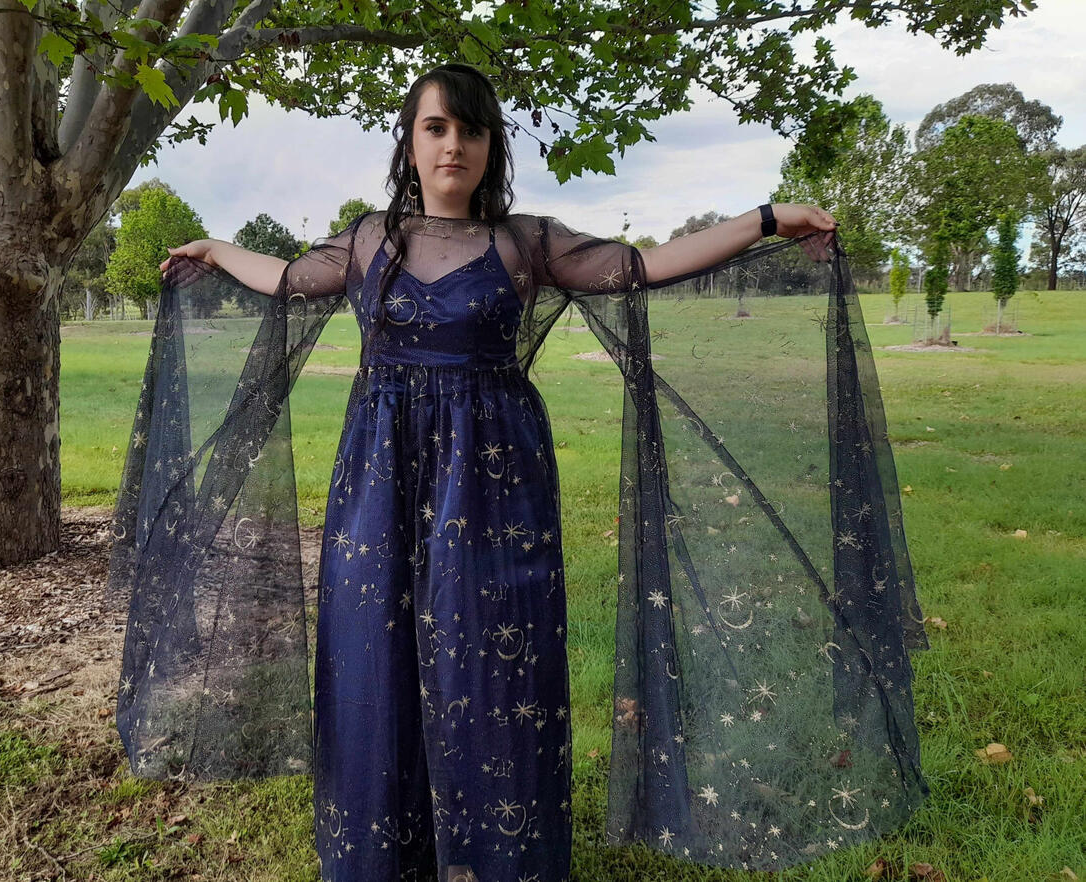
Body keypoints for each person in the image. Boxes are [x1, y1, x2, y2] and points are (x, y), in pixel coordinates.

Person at [113, 62, 928, 880]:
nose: (453, 145)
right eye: (436, 127)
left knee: (495, 664)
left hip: (496, 483)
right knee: (372, 655)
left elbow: (644, 266)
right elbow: (288, 281)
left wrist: (762, 218)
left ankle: (503, 858)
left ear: (490, 144)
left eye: (470, 130)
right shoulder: (369, 240)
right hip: (378, 479)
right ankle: (387, 857)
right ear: (409, 141)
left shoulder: (524, 242)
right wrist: (217, 249)